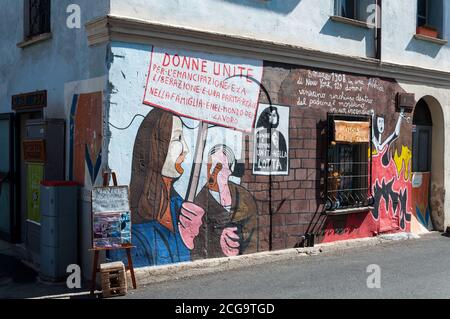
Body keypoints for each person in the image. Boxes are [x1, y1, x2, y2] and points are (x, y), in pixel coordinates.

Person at [110, 108, 205, 267]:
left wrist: (189, 237)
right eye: (178, 138)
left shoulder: (179, 208)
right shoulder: (131, 222)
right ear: (156, 147)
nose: (186, 149)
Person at [192, 144, 257, 259]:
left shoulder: (244, 197)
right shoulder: (199, 202)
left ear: (230, 170)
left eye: (219, 166)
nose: (213, 172)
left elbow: (253, 235)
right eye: (210, 165)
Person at [254, 106, 288, 173]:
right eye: (270, 115)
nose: (272, 117)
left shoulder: (280, 136)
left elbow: (283, 158)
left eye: (274, 115)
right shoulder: (260, 133)